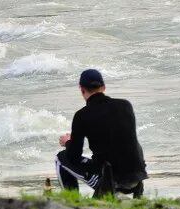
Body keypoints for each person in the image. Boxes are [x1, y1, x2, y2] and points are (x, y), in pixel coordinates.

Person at [55, 68, 148, 197]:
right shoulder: (125, 105)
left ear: (82, 89)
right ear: (103, 87)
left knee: (61, 158)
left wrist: (68, 142)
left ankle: (73, 200)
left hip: (109, 181)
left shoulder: (82, 115)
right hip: (137, 176)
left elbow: (73, 156)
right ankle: (138, 195)